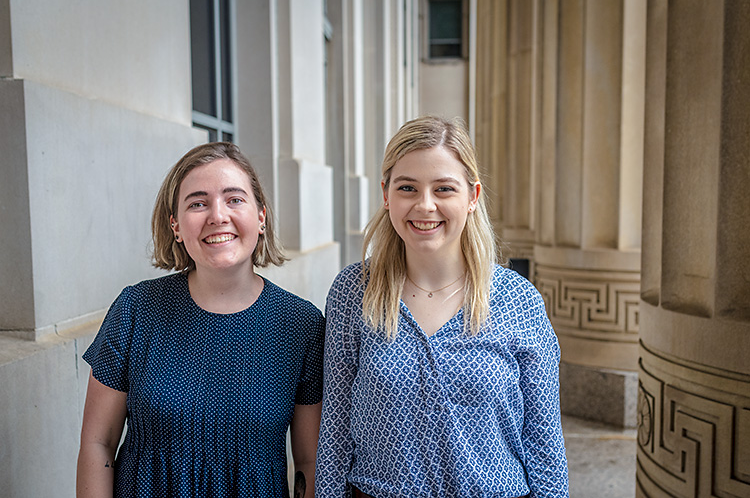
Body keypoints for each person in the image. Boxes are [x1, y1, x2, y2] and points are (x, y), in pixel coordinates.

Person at [315, 116, 569, 497]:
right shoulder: (355, 291)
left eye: (444, 189)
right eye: (408, 188)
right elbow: (334, 430)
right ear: (386, 194)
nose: (425, 205)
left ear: (472, 197)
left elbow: (545, 444)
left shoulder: (518, 300)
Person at [76, 142, 324, 498]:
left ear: (261, 218)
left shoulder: (302, 325)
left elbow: (308, 462)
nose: (217, 216)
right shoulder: (135, 309)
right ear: (176, 226)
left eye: (234, 199)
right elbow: (98, 443)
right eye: (197, 203)